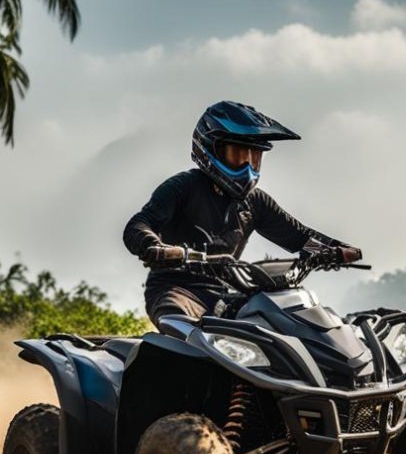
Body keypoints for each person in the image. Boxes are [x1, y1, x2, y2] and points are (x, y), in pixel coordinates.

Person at [123, 100, 362, 325]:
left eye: (254, 158)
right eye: (238, 155)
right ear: (210, 149)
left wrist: (337, 250)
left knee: (281, 320)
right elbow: (139, 224)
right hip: (175, 290)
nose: (248, 167)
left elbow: (299, 236)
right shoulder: (182, 186)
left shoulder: (255, 202)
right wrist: (156, 247)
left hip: (226, 294)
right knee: (180, 323)